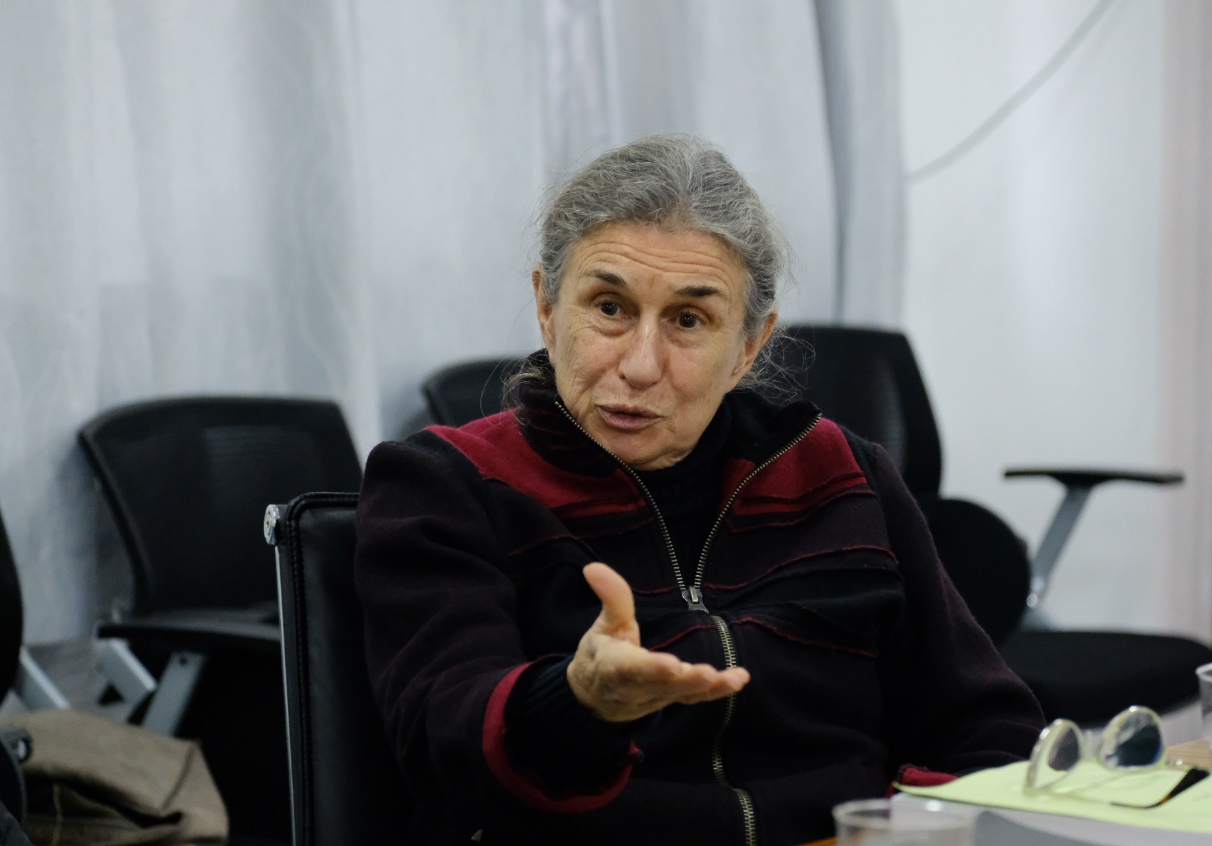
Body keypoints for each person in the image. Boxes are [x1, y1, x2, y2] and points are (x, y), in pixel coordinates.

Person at [355, 135, 1044, 846]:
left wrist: (945, 824)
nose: (640, 365)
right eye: (609, 307)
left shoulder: (841, 474)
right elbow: (443, 736)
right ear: (547, 308)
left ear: (748, 346)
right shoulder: (448, 482)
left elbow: (984, 725)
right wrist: (579, 700)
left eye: (688, 320)